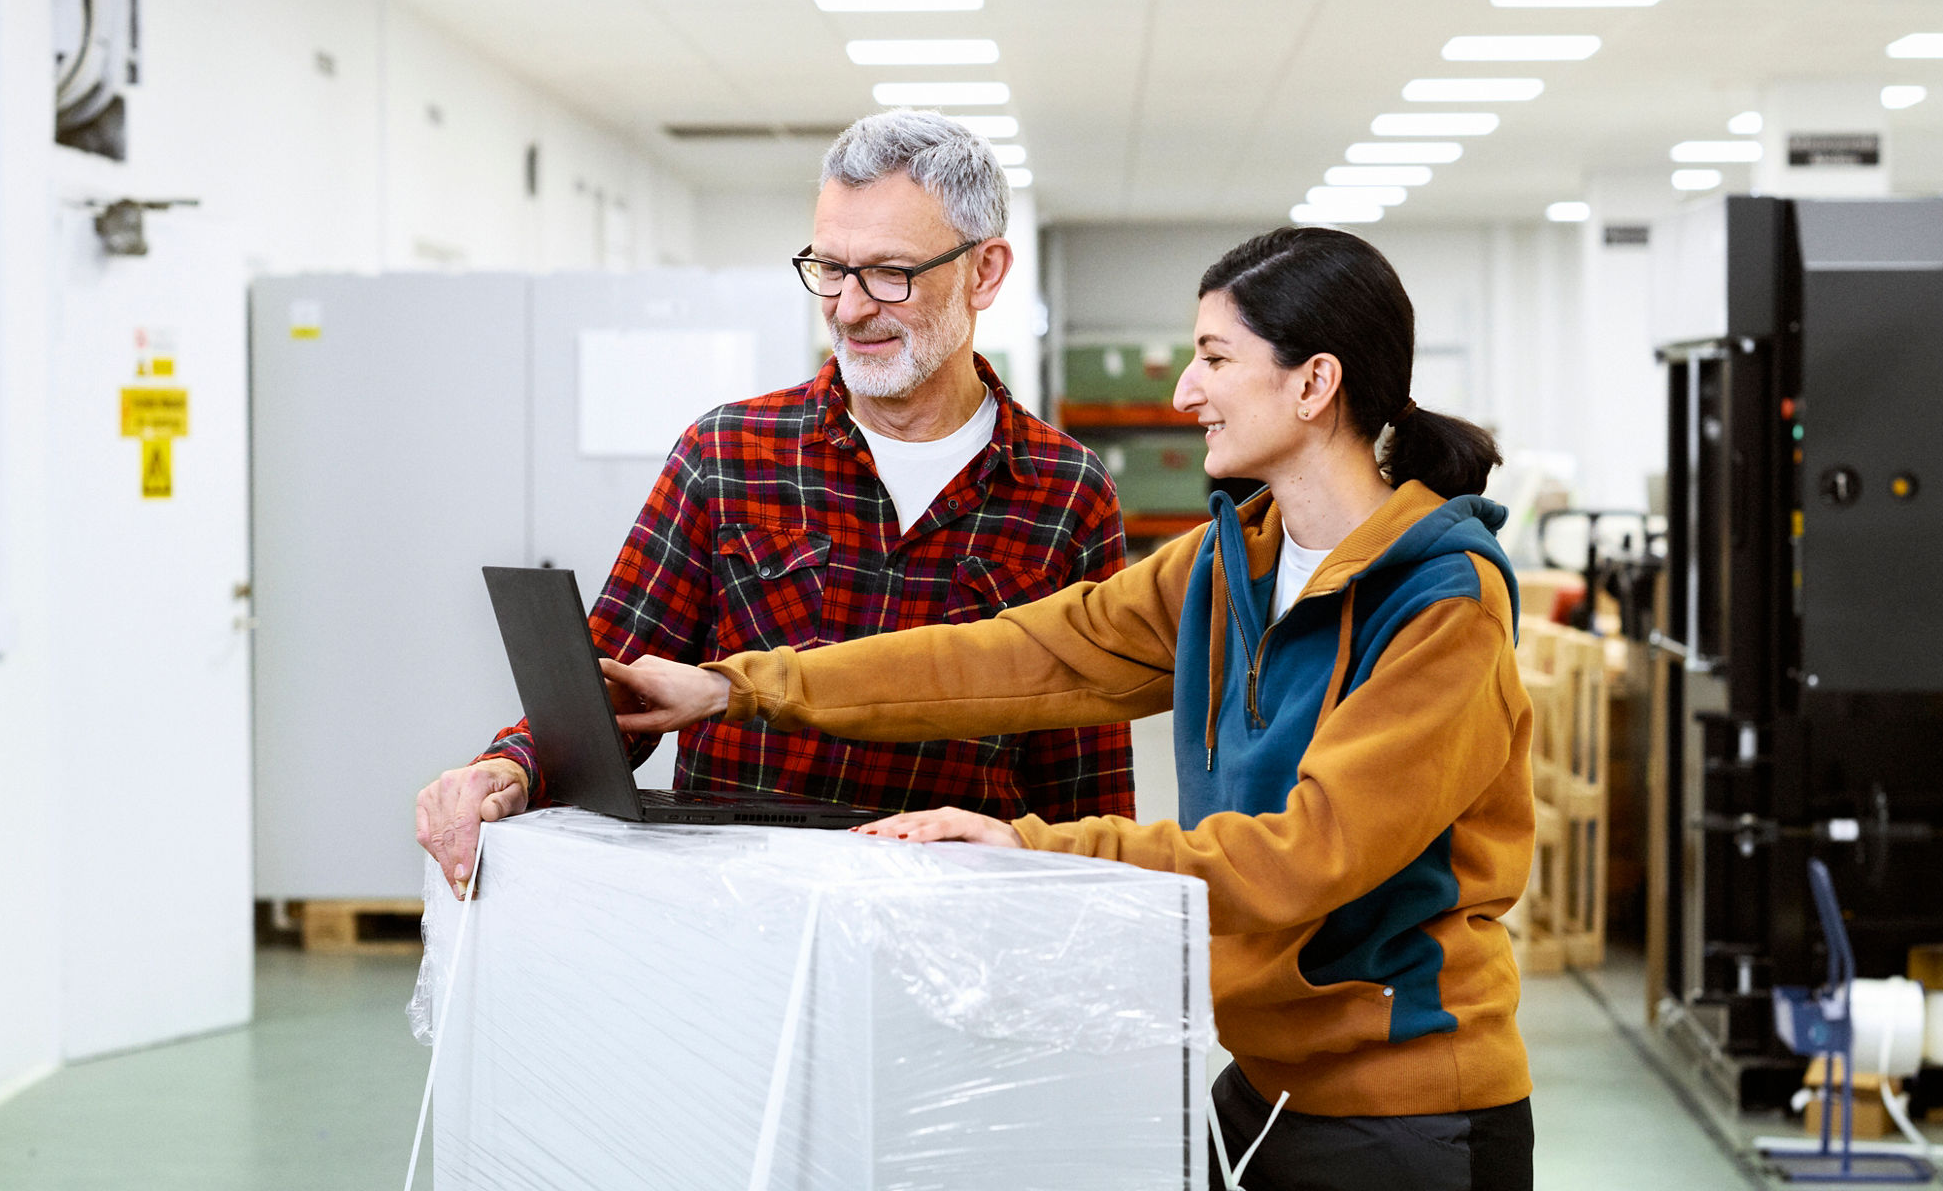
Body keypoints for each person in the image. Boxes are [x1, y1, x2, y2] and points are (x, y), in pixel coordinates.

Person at [610, 227, 1537, 1189]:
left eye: (1216, 358)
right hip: (1269, 1083)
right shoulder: (1232, 566)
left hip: (1414, 1106)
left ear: (1313, 385)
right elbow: (1012, 656)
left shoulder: (1443, 604)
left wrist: (1036, 850)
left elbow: (1306, 855)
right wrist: (737, 687)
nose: (1184, 391)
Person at [415, 109, 1134, 895]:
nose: (850, 308)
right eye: (829, 267)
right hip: (742, 912)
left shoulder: (1064, 491)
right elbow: (609, 685)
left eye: (890, 273)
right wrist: (508, 767)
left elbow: (1083, 774)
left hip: (949, 920)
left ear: (985, 272)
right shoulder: (728, 454)